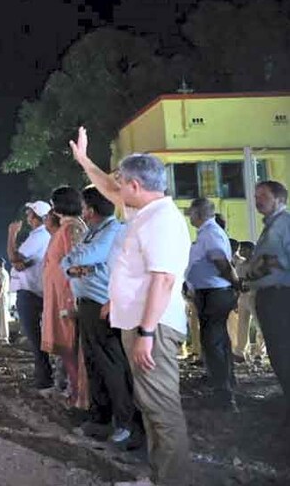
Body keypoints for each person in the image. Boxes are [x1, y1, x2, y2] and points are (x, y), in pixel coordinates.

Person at [70, 127, 192, 485]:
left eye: (121, 183)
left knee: (161, 410)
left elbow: (163, 280)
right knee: (151, 407)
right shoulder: (145, 214)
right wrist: (84, 161)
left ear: (136, 186)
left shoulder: (162, 222)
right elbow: (108, 187)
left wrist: (147, 333)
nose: (115, 189)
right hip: (139, 324)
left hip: (152, 328)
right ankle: (160, 476)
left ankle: (173, 480)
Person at [63, 186, 141, 448]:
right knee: (95, 364)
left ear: (92, 210)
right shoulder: (95, 232)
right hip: (89, 304)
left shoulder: (112, 231)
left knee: (112, 365)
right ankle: (100, 418)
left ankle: (125, 424)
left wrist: (77, 265)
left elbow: (83, 257)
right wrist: (74, 267)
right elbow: (71, 263)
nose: (83, 211)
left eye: (85, 207)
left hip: (103, 306)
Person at [242, 180, 290, 433]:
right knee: (280, 355)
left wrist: (250, 271)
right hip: (274, 295)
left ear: (279, 199)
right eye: (255, 195)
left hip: (281, 296)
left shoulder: (282, 224)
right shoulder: (274, 225)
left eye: (263, 196)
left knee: (284, 354)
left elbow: (271, 262)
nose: (257, 200)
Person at [184, 197, 239, 410]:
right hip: (211, 292)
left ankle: (223, 394)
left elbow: (221, 262)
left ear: (198, 214)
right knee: (218, 341)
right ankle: (224, 383)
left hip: (214, 293)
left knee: (213, 343)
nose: (189, 216)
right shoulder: (209, 232)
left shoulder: (210, 233)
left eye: (191, 212)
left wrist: (235, 282)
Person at [42, 186, 88, 408]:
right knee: (66, 348)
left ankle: (80, 395)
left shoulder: (73, 229)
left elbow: (78, 264)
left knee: (71, 346)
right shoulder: (65, 228)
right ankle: (73, 391)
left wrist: (73, 299)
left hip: (68, 296)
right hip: (59, 294)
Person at [8, 200, 53, 394]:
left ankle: (44, 378)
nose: (27, 217)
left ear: (37, 217)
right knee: (37, 337)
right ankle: (44, 376)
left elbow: (16, 259)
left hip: (30, 291)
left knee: (35, 337)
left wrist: (11, 235)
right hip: (36, 290)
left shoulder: (39, 236)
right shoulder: (43, 235)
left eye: (29, 213)